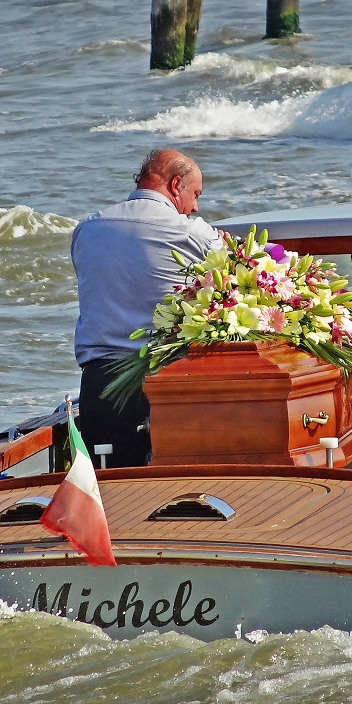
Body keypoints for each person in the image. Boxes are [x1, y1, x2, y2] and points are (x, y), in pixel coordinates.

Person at [71, 148, 230, 467]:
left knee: (110, 488)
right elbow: (236, 276)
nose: (195, 206)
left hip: (100, 385)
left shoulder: (87, 229)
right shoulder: (191, 232)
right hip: (168, 381)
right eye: (195, 194)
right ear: (175, 185)